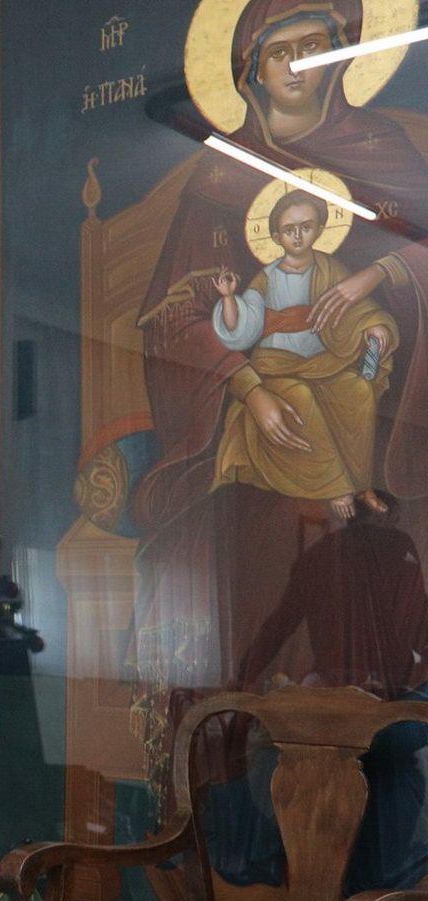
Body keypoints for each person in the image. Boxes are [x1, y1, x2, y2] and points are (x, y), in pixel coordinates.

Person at [128, 0, 428, 768]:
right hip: (260, 410)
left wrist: (373, 278)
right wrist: (248, 384)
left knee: (376, 544)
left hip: (368, 419)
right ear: (249, 71)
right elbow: (173, 318)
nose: (296, 66)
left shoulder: (382, 149)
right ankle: (241, 767)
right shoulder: (220, 173)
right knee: (257, 562)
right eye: (278, 52)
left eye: (314, 46)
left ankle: (362, 751)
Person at [210, 188, 396, 518]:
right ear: (276, 236)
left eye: (306, 227)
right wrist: (227, 299)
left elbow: (355, 308)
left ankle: (362, 484)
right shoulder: (266, 278)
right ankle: (335, 486)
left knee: (358, 391)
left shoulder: (329, 268)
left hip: (325, 363)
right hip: (276, 366)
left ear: (320, 229)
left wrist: (374, 326)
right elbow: (243, 327)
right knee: (301, 398)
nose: (297, 236)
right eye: (289, 229)